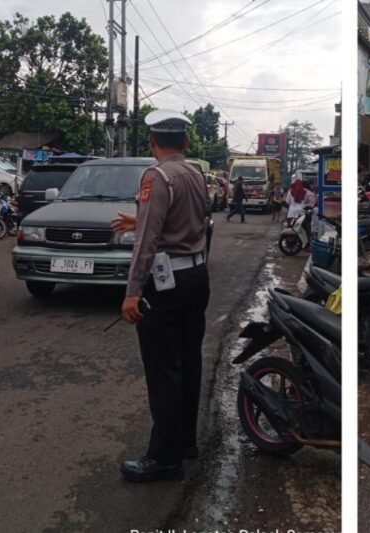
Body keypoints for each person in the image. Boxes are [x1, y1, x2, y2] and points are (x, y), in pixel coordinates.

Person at [110, 109, 210, 483]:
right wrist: (142, 218)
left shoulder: (156, 175)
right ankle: (185, 441)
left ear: (152, 142)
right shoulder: (196, 173)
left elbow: (147, 242)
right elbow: (196, 220)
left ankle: (165, 459)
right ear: (185, 142)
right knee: (188, 360)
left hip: (166, 286)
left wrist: (132, 293)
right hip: (196, 276)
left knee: (163, 367)